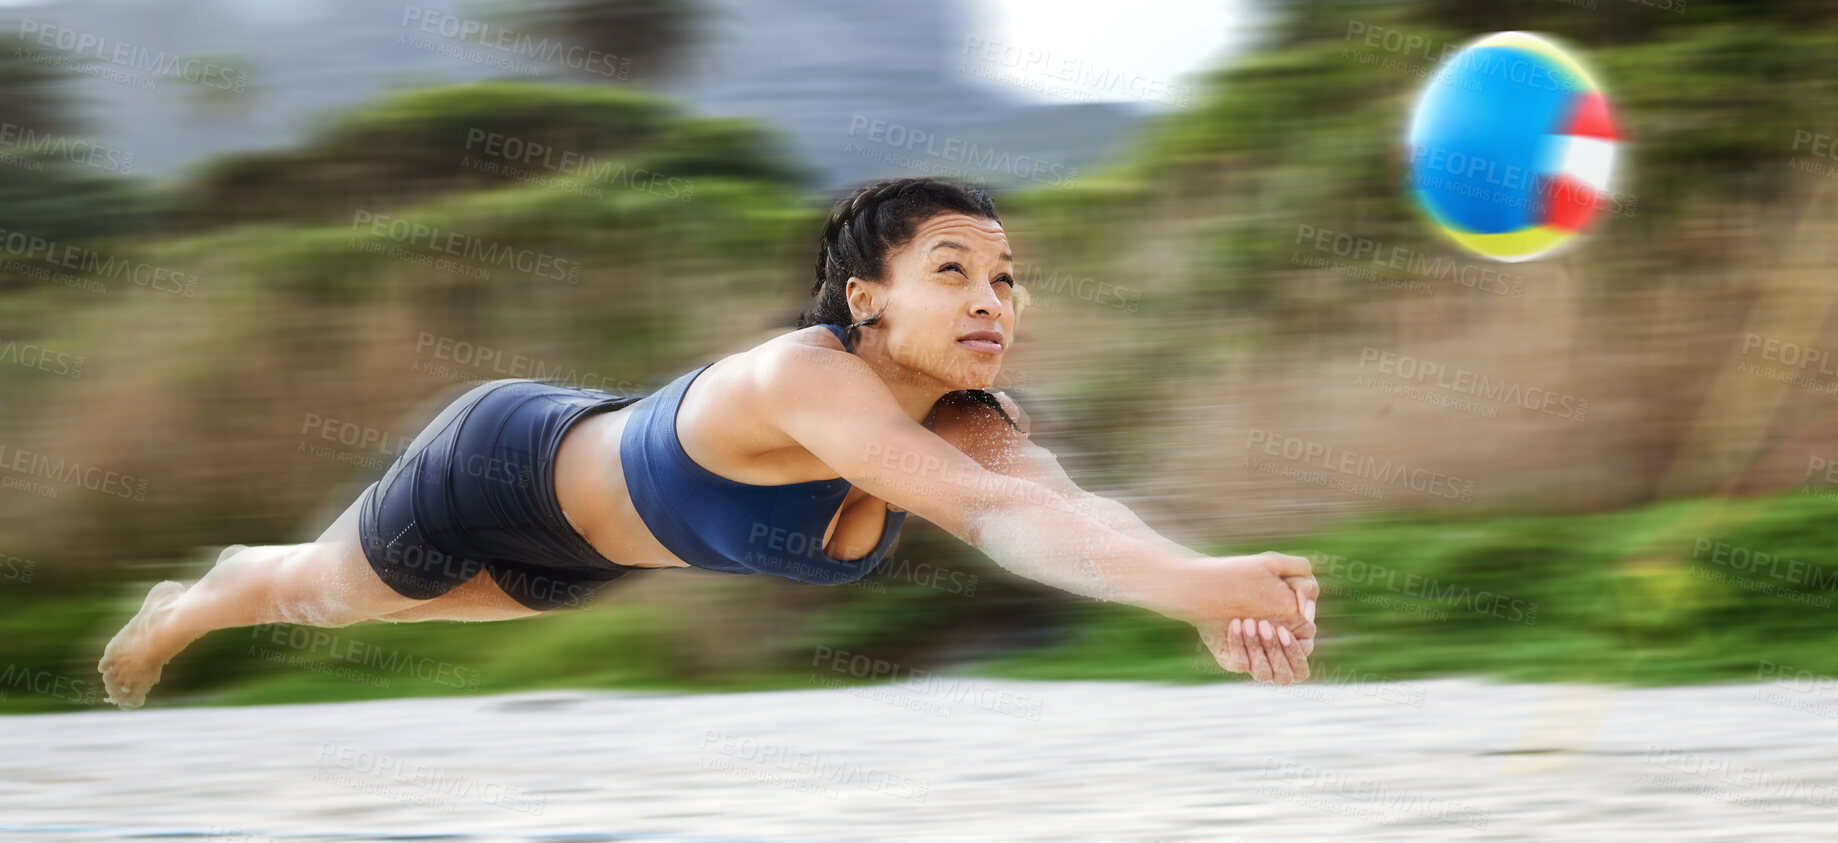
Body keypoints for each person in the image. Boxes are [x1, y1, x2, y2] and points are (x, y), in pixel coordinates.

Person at [97, 176, 1318, 710]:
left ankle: (226, 591)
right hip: (490, 472)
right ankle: (188, 603)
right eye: (955, 271)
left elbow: (1062, 510)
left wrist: (1196, 596)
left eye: (1009, 275)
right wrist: (1194, 586)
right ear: (867, 301)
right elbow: (988, 519)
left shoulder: (973, 421)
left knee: (371, 617)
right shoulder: (803, 376)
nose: (995, 297)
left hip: (585, 561)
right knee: (319, 596)